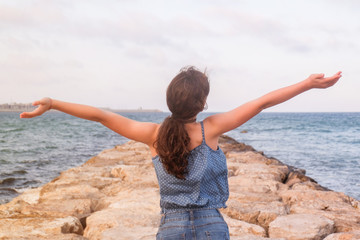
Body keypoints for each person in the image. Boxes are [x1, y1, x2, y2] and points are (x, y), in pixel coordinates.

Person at [20, 67, 342, 240]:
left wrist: (54, 103)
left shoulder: (153, 134)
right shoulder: (211, 129)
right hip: (211, 228)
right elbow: (261, 103)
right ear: (201, 105)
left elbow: (101, 115)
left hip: (171, 228)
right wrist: (307, 84)